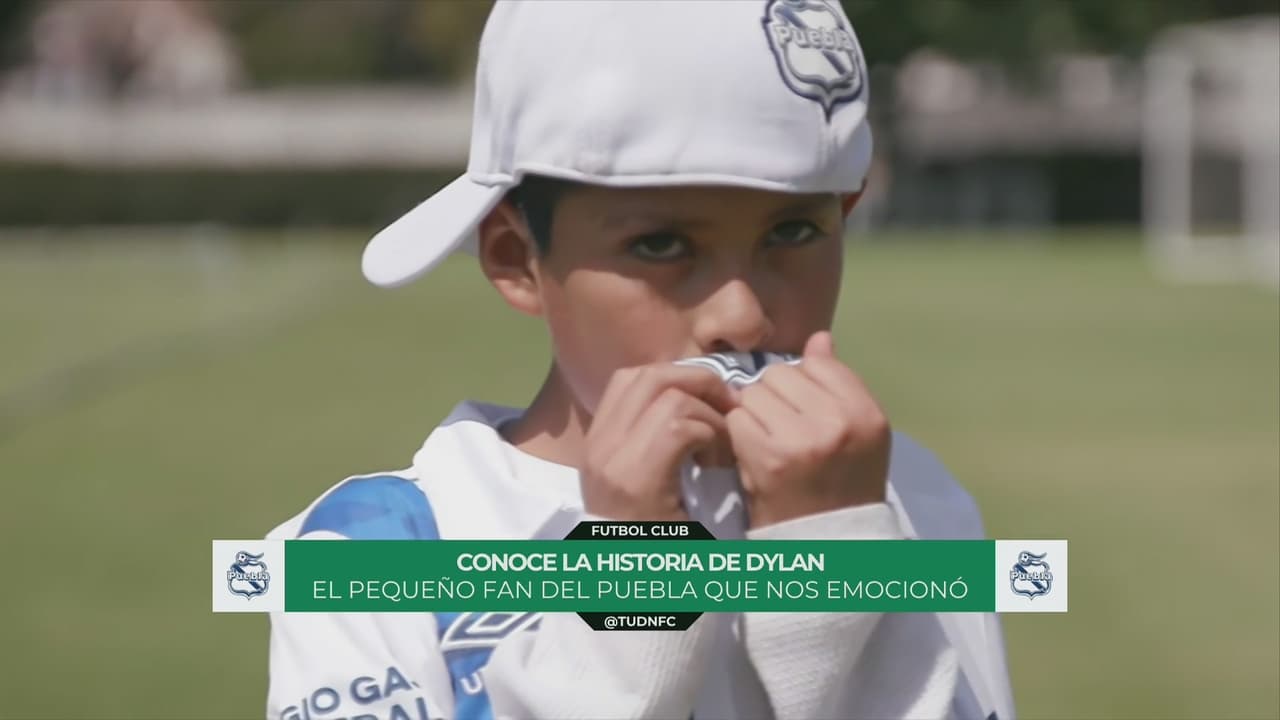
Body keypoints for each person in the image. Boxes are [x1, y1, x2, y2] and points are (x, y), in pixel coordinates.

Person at [265, 1, 1015, 718]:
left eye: (792, 233)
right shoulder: (376, 548)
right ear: (516, 258)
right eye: (660, 245)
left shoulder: (906, 498)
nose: (742, 316)